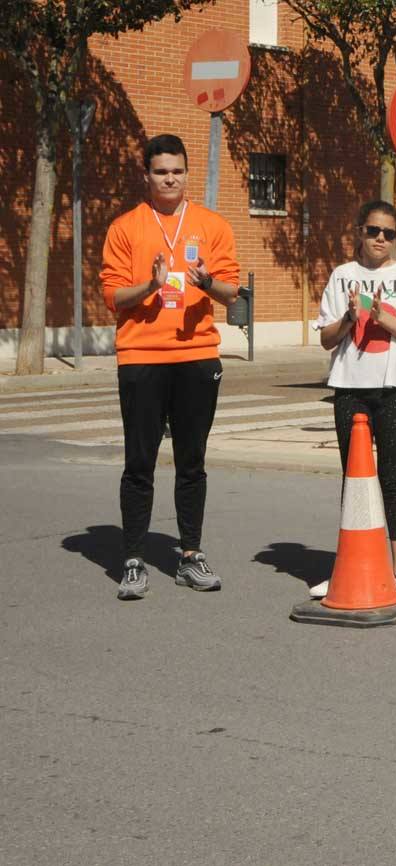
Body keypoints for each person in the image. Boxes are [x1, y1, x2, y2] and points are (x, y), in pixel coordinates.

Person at [99, 134, 240, 601]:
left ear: (186, 172)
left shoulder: (212, 225)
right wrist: (149, 285)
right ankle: (135, 559)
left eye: (177, 170)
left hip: (197, 355)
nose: (170, 178)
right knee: (139, 462)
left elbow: (231, 294)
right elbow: (112, 297)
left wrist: (207, 280)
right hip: (141, 356)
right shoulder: (125, 228)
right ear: (147, 175)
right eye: (161, 171)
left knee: (192, 462)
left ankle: (190, 555)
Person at [310, 201, 396, 601]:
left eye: (389, 234)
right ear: (359, 233)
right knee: (354, 479)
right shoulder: (343, 276)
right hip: (350, 388)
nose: (381, 239)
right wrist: (349, 318)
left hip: (395, 389)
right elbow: (327, 339)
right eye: (373, 231)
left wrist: (381, 317)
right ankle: (349, 562)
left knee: (393, 478)